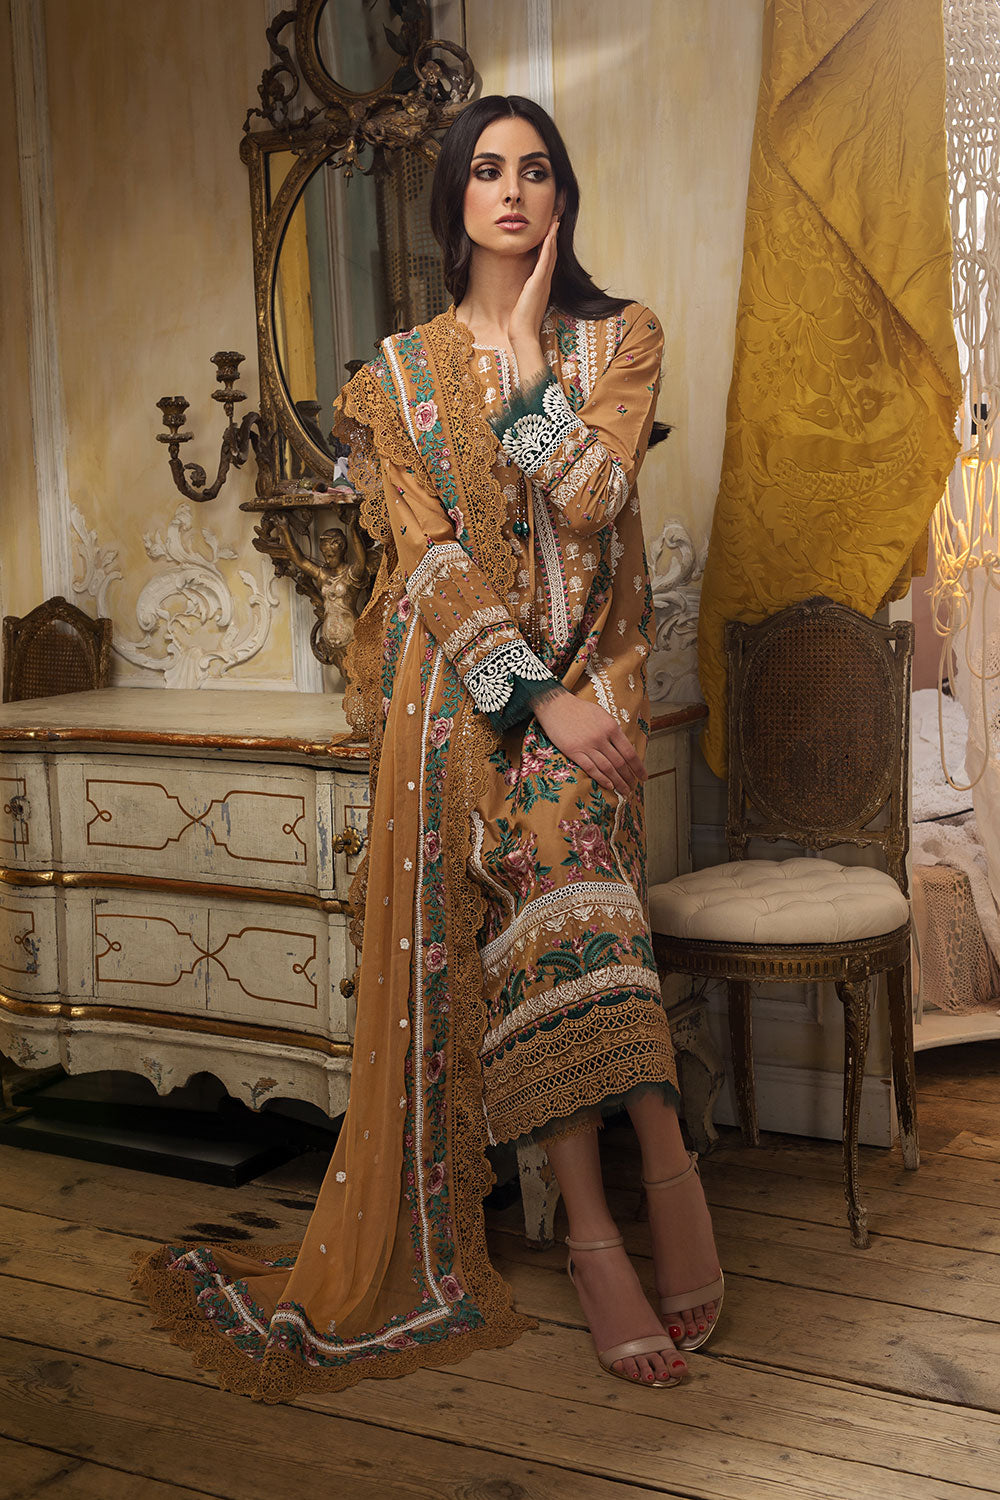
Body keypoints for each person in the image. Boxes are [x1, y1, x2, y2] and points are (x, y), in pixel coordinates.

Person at [133, 94, 723, 1402]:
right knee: (548, 861)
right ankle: (612, 1211)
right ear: (454, 197)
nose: (511, 190)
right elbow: (430, 562)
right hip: (465, 694)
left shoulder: (621, 338)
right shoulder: (391, 380)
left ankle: (645, 1172)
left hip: (602, 682)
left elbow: (596, 500)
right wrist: (537, 706)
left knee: (563, 880)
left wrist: (518, 358)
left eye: (535, 169)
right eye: (487, 170)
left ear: (562, 194)